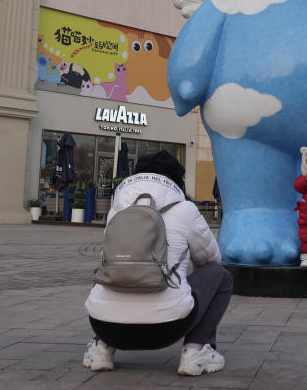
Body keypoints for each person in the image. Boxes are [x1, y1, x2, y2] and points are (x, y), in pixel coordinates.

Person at [82, 150, 234, 376]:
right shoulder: (186, 210)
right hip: (167, 328)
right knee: (220, 275)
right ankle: (196, 350)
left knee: (113, 269)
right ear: (177, 180)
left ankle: (101, 348)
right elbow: (211, 259)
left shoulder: (117, 210)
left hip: (105, 326)